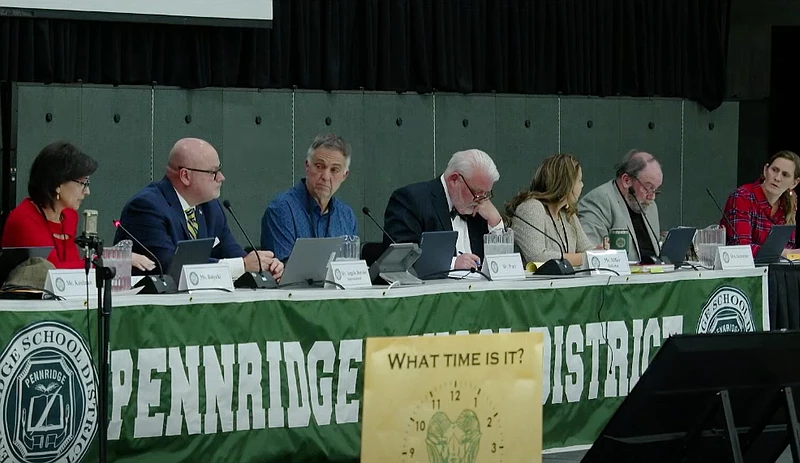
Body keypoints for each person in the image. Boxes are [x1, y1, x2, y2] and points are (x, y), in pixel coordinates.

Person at [115, 138, 283, 281]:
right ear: (185, 176)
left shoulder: (211, 207)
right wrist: (243, 266)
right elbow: (170, 266)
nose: (221, 177)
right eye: (213, 172)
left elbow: (234, 255)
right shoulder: (146, 207)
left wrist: (262, 264)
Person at [3, 141, 155, 271]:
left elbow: (73, 269)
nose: (87, 191)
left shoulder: (69, 216)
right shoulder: (24, 220)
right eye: (82, 183)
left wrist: (109, 259)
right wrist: (111, 260)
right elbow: (51, 272)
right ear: (58, 184)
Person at [383, 149, 504, 270]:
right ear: (454, 179)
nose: (481, 199)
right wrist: (452, 263)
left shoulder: (480, 209)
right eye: (477, 192)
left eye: (486, 193)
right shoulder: (412, 200)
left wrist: (495, 222)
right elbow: (399, 258)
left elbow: (501, 267)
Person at [260, 133, 358, 261]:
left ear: (344, 176)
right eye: (319, 167)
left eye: (334, 170)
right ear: (307, 166)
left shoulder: (347, 216)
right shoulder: (281, 210)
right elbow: (283, 272)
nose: (326, 177)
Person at [505, 154, 593, 266]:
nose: (582, 185)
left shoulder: (567, 213)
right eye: (579, 180)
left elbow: (586, 249)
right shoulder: (532, 208)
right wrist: (584, 258)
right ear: (566, 183)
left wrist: (600, 253)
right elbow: (537, 257)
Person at [578, 150, 662, 263]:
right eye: (648, 188)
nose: (652, 197)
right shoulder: (599, 201)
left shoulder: (650, 206)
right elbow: (591, 253)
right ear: (626, 180)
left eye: (655, 190)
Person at [721, 150, 800, 256]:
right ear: (765, 170)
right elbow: (740, 249)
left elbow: (789, 247)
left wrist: (790, 254)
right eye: (774, 170)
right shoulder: (742, 197)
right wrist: (783, 253)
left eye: (785, 175)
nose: (777, 178)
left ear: (794, 183)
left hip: (773, 271)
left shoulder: (789, 202)